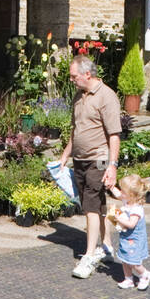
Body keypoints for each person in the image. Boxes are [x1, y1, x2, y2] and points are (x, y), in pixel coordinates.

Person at [58, 53, 121, 278]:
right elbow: (76, 131)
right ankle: (106, 245)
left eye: (74, 76)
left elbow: (114, 135)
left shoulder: (107, 96)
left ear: (87, 73)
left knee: (90, 206)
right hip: (81, 159)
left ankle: (89, 255)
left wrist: (112, 166)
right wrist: (65, 155)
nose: (72, 80)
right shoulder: (78, 96)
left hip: (100, 158)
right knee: (97, 203)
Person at [106, 173, 150, 290]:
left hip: (135, 240)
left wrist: (118, 218)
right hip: (126, 237)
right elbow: (118, 194)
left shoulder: (136, 209)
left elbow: (131, 224)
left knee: (134, 262)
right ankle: (128, 279)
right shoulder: (127, 200)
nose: (121, 192)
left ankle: (144, 274)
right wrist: (111, 187)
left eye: (123, 191)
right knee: (125, 260)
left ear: (131, 195)